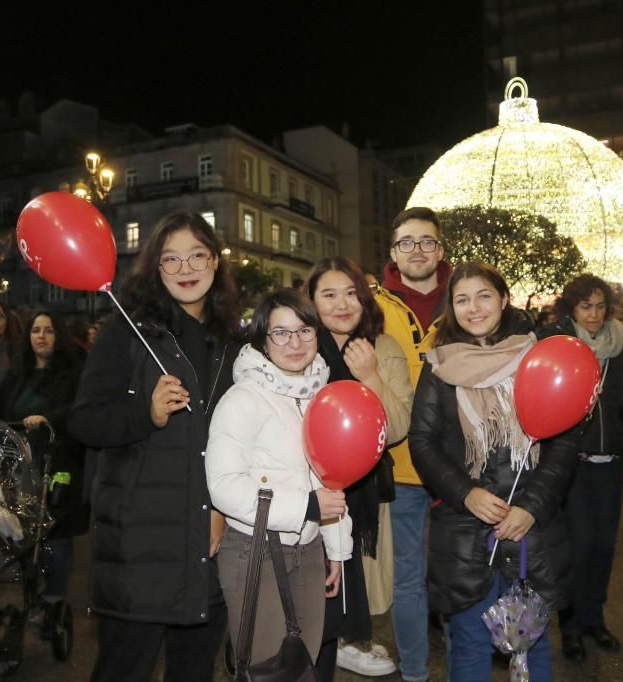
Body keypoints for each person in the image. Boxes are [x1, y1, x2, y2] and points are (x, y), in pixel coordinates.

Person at [68, 213, 241, 682]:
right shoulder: (127, 332)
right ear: (156, 269)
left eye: (196, 255)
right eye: (171, 258)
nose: (186, 267)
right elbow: (84, 420)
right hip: (139, 547)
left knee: (193, 671)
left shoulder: (232, 340)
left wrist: (227, 509)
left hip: (208, 545)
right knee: (125, 669)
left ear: (215, 260)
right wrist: (146, 414)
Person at [408, 261, 577, 682]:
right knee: (468, 644)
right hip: (467, 533)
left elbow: (565, 440)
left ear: (503, 299)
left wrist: (532, 508)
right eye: (462, 300)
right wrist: (466, 493)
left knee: (532, 642)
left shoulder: (536, 357)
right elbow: (423, 443)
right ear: (452, 308)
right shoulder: (439, 367)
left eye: (484, 296)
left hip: (530, 532)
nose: (474, 308)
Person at [206, 288, 353, 668]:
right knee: (266, 665)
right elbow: (223, 485)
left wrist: (336, 549)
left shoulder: (323, 395)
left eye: (304, 330)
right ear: (262, 339)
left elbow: (332, 479)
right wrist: (304, 506)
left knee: (304, 660)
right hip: (254, 549)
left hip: (309, 550)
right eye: (281, 333)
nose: (295, 343)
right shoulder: (243, 399)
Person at [305, 256, 413, 679]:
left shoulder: (382, 347)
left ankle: (348, 640)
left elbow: (399, 425)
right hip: (308, 489)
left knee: (357, 580)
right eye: (328, 294)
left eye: (351, 293)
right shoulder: (300, 345)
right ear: (312, 301)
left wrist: (370, 376)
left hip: (363, 489)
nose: (342, 304)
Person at [374, 206, 452, 682]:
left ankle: (470, 660)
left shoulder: (467, 296)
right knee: (408, 580)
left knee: (464, 571)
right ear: (393, 251)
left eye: (427, 241)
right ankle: (416, 673)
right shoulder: (372, 306)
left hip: (460, 462)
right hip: (399, 464)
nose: (417, 250)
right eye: (407, 242)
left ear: (440, 249)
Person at [538, 274, 623, 662]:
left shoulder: (619, 345)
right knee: (578, 546)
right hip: (571, 462)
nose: (594, 314)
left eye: (599, 306)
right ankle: (571, 626)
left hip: (611, 459)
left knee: (604, 546)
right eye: (585, 307)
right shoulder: (559, 346)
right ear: (572, 310)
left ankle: (595, 618)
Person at [0, 311, 86, 630]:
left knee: (55, 534)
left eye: (48, 330)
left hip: (57, 466)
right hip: (19, 468)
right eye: (35, 330)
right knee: (22, 535)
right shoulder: (17, 375)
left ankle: (55, 598)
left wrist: (46, 420)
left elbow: (78, 409)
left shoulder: (74, 373)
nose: (41, 336)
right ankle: (31, 593)